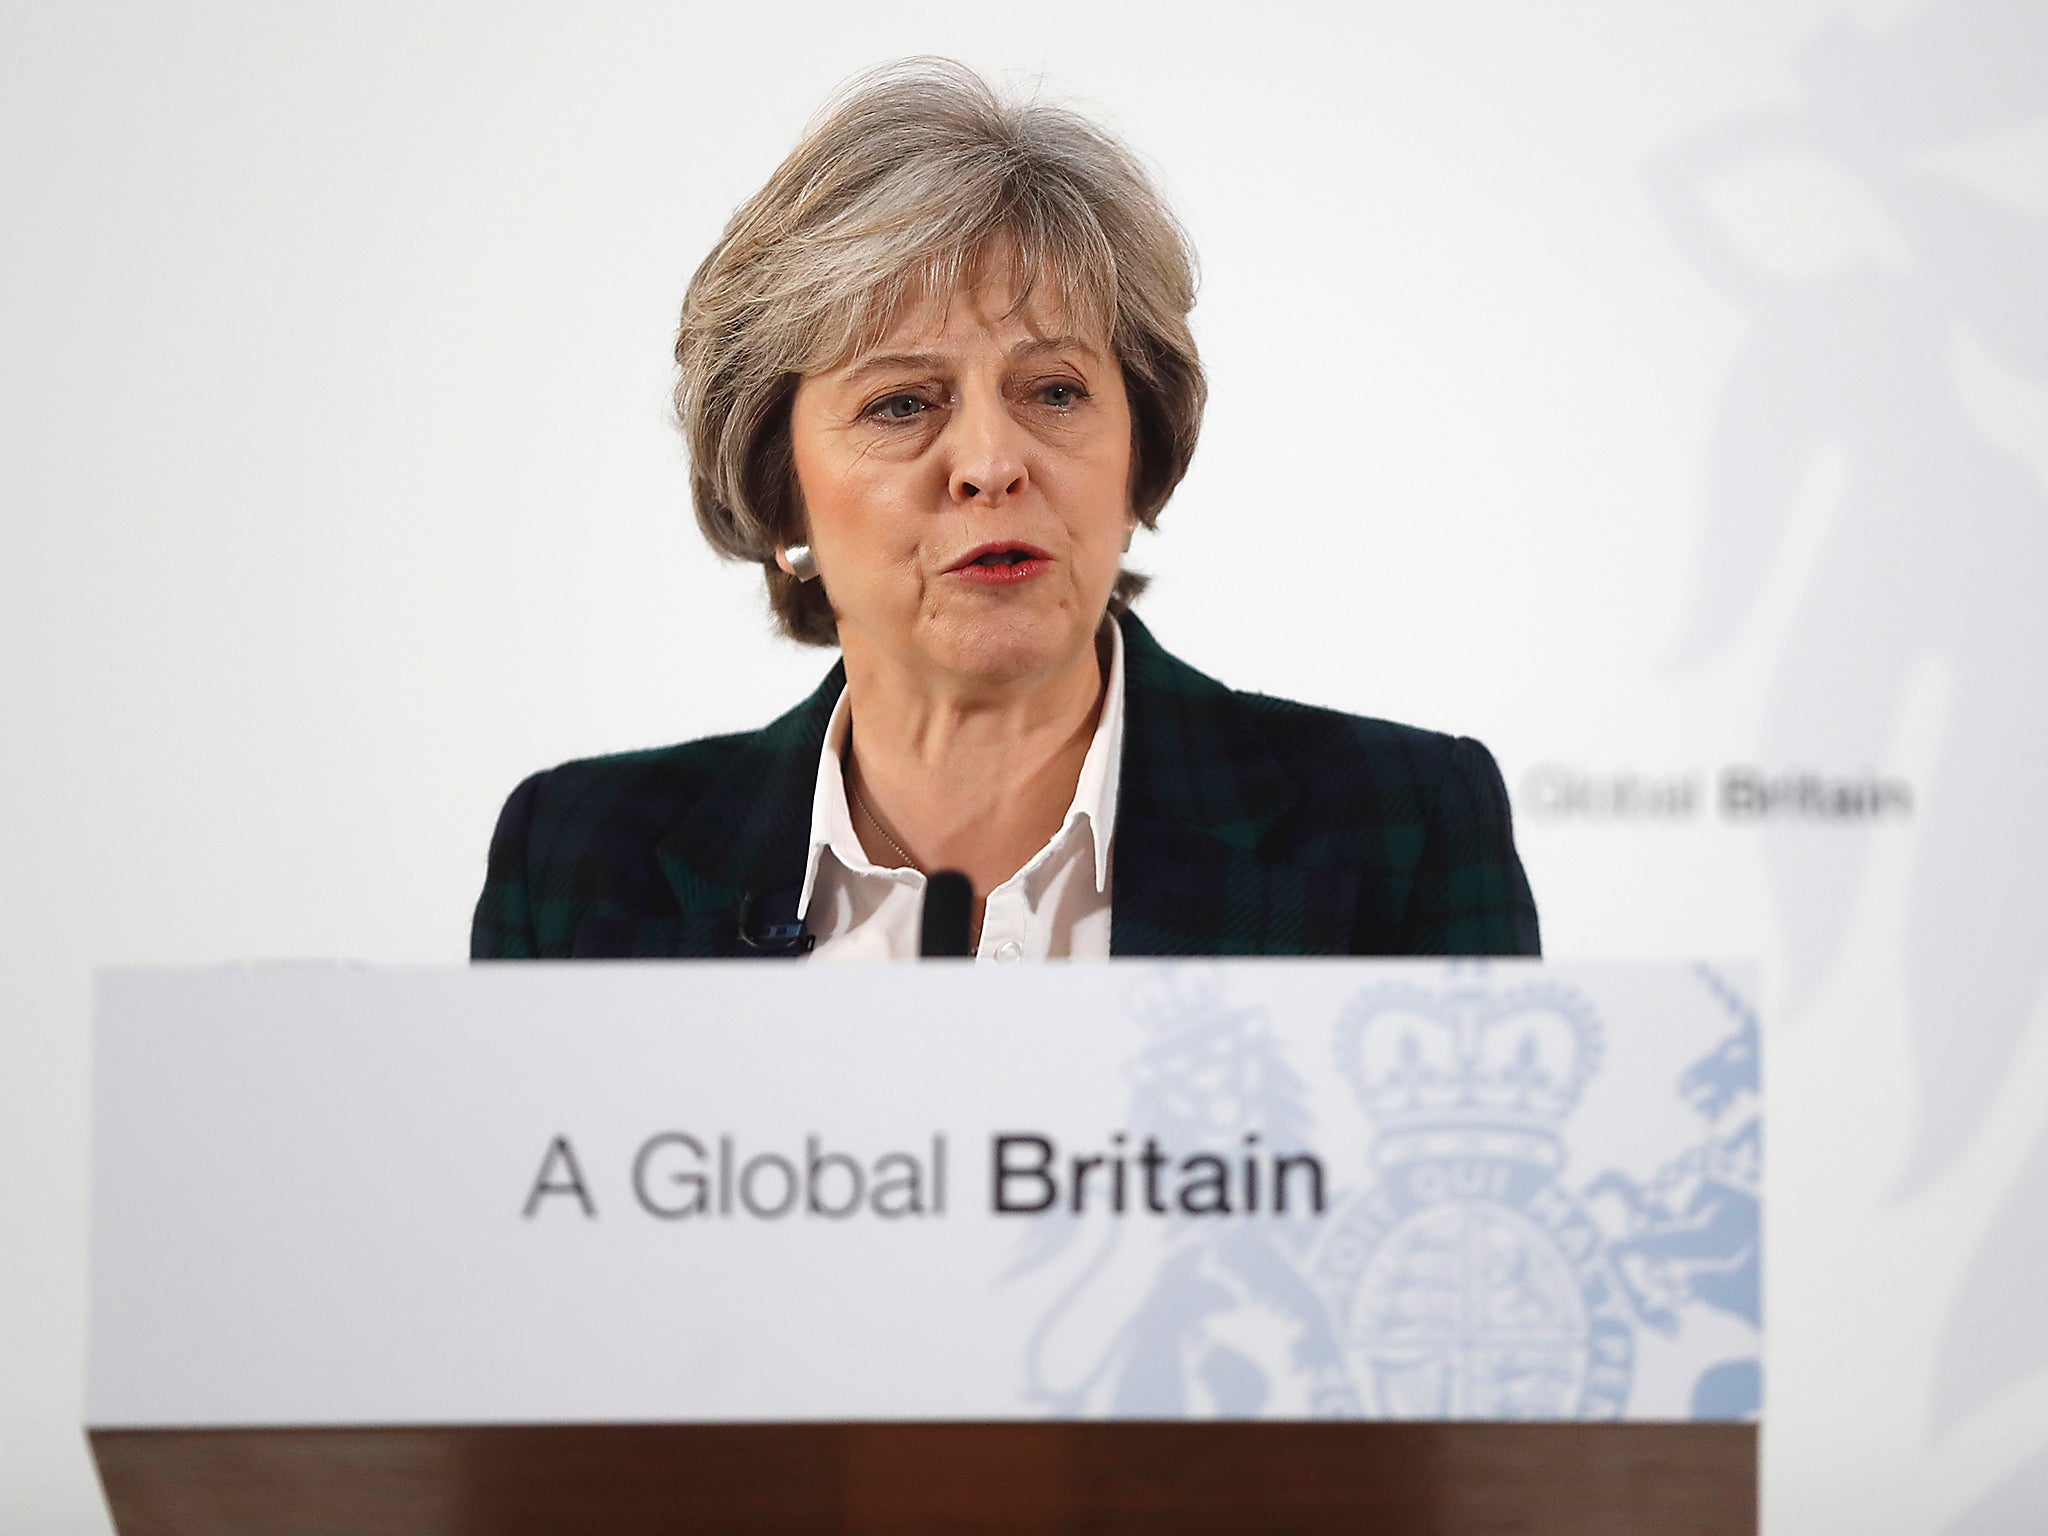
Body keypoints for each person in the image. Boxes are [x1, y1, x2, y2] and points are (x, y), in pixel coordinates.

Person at [471, 59, 1539, 963]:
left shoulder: (1399, 830)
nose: (988, 462)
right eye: (900, 403)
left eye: (1055, 392)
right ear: (777, 484)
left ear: (1137, 455)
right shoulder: (575, 865)